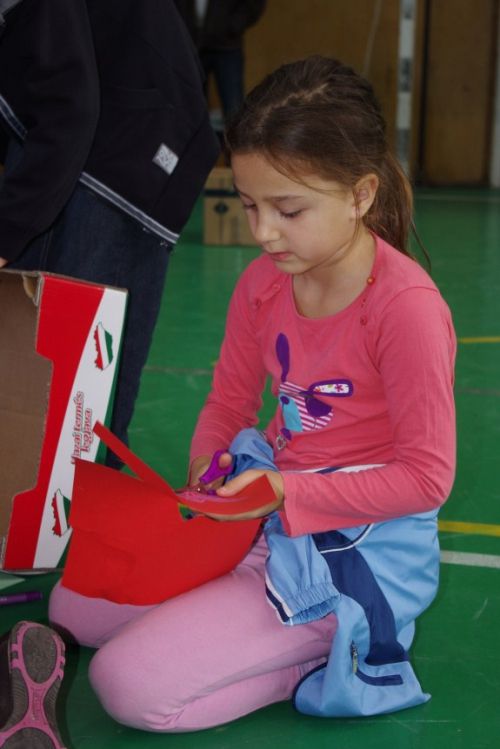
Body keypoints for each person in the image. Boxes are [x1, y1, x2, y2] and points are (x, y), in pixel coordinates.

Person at [43, 56, 455, 733]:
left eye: (288, 210)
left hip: (355, 552)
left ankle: (327, 653)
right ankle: (239, 619)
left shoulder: (405, 308)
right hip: (264, 516)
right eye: (250, 204)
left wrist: (284, 491)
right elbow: (229, 405)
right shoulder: (263, 283)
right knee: (73, 609)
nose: (263, 232)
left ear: (360, 194)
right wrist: (207, 478)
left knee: (126, 685)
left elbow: (426, 478)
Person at [0, 0, 220, 466]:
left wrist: (6, 234)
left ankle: (84, 489)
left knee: (81, 376)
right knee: (30, 355)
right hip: (74, 117)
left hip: (130, 140)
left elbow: (67, 112)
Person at [174, 0, 266, 127]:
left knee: (234, 108)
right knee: (192, 107)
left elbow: (255, 4)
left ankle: (235, 139)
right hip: (192, 45)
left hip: (227, 46)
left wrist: (234, 25)